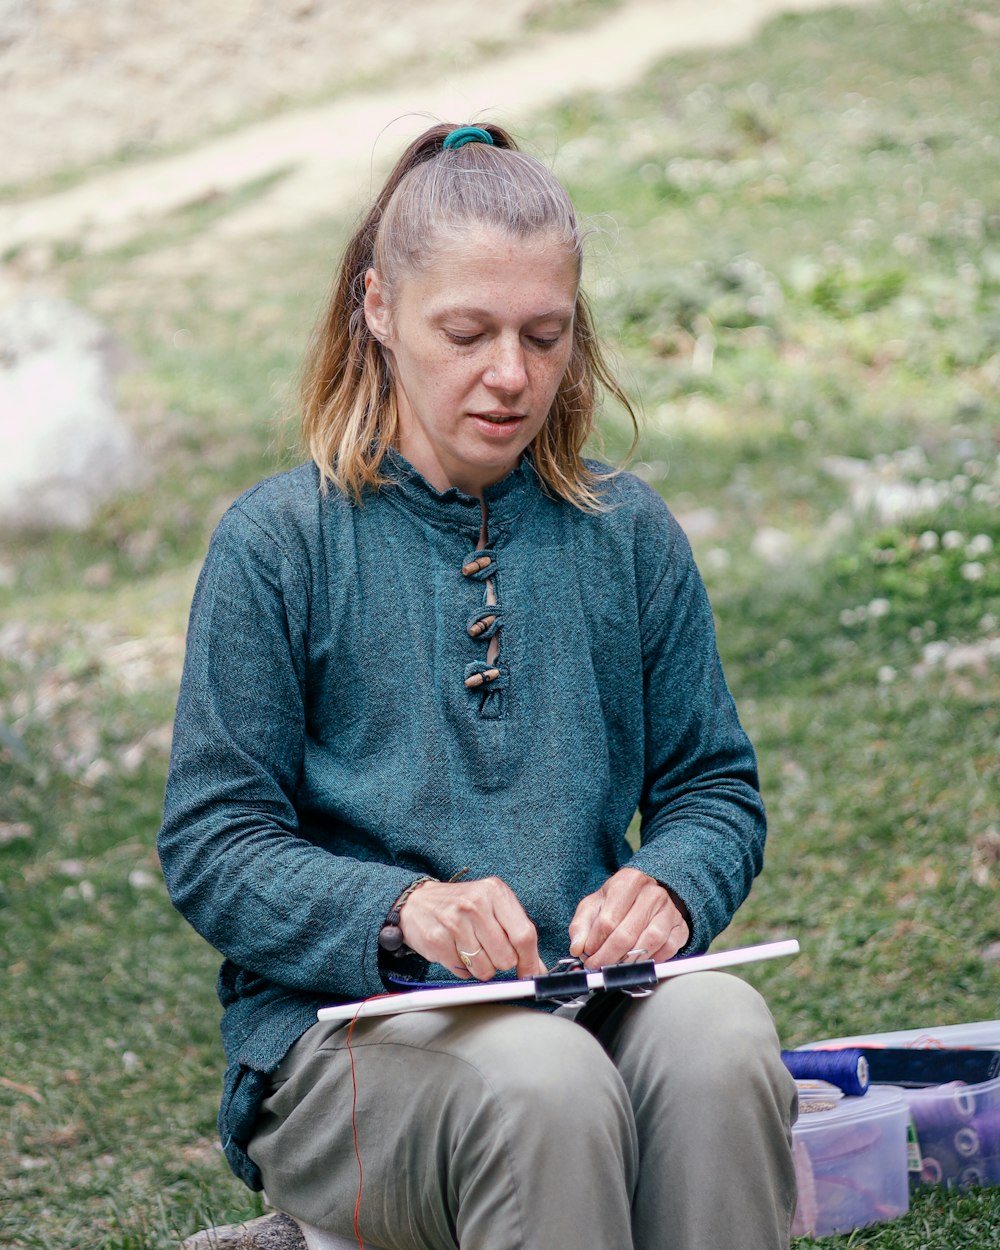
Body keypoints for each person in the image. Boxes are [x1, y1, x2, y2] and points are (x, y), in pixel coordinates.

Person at [158, 121, 798, 1250]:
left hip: (588, 1001)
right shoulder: (279, 543)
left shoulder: (628, 534)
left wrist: (671, 883)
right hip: (341, 1049)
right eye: (468, 332)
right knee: (539, 1081)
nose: (512, 374)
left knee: (722, 1031)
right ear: (379, 309)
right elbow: (214, 843)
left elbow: (713, 786)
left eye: (544, 336)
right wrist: (402, 911)